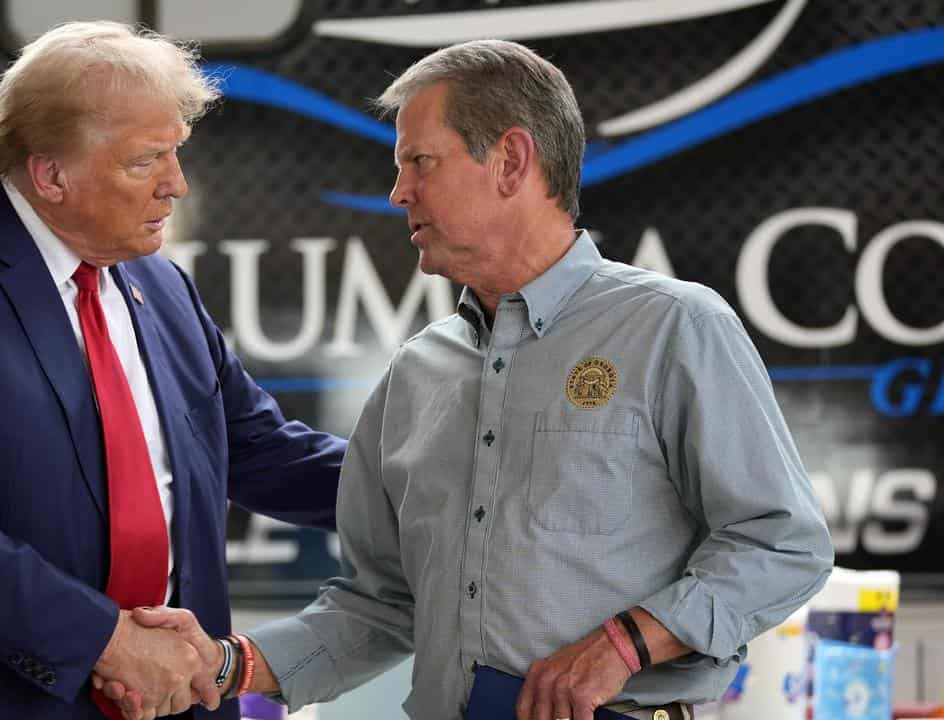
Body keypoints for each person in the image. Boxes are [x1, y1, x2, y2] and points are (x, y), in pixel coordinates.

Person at [107, 39, 834, 720]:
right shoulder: (417, 374)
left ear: (512, 162)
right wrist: (228, 664)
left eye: (420, 162)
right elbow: (383, 605)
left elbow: (782, 545)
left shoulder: (673, 327)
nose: (398, 193)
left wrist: (627, 643)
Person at [0, 21, 345, 720]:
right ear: (50, 173)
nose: (176, 185)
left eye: (176, 153)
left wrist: (443, 487)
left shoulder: (160, 285)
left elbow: (261, 450)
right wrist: (108, 642)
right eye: (147, 160)